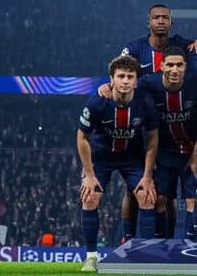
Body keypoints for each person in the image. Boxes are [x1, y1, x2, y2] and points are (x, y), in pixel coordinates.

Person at [120, 3, 194, 241]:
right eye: (156, 17)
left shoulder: (182, 46)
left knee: (166, 196)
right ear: (148, 22)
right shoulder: (135, 48)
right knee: (134, 189)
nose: (161, 21)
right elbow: (119, 73)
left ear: (171, 23)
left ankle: (167, 242)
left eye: (165, 17)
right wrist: (106, 86)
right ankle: (127, 237)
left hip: (169, 134)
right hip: (141, 130)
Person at [77, 55, 158, 272]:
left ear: (136, 81)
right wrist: (89, 174)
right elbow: (81, 137)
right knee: (90, 196)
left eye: (130, 77)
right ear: (111, 79)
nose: (125, 81)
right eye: (121, 76)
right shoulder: (98, 101)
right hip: (101, 157)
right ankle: (91, 257)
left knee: (147, 196)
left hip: (132, 157)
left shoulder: (144, 102)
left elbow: (152, 138)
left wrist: (148, 175)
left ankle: (145, 255)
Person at [137, 47, 197, 239]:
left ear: (185, 67)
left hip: (192, 154)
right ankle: (159, 246)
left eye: (179, 65)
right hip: (164, 154)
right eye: (170, 65)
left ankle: (192, 249)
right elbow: (125, 83)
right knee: (159, 200)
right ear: (160, 66)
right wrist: (107, 87)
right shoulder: (147, 84)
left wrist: (196, 153)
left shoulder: (196, 83)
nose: (175, 69)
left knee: (195, 199)